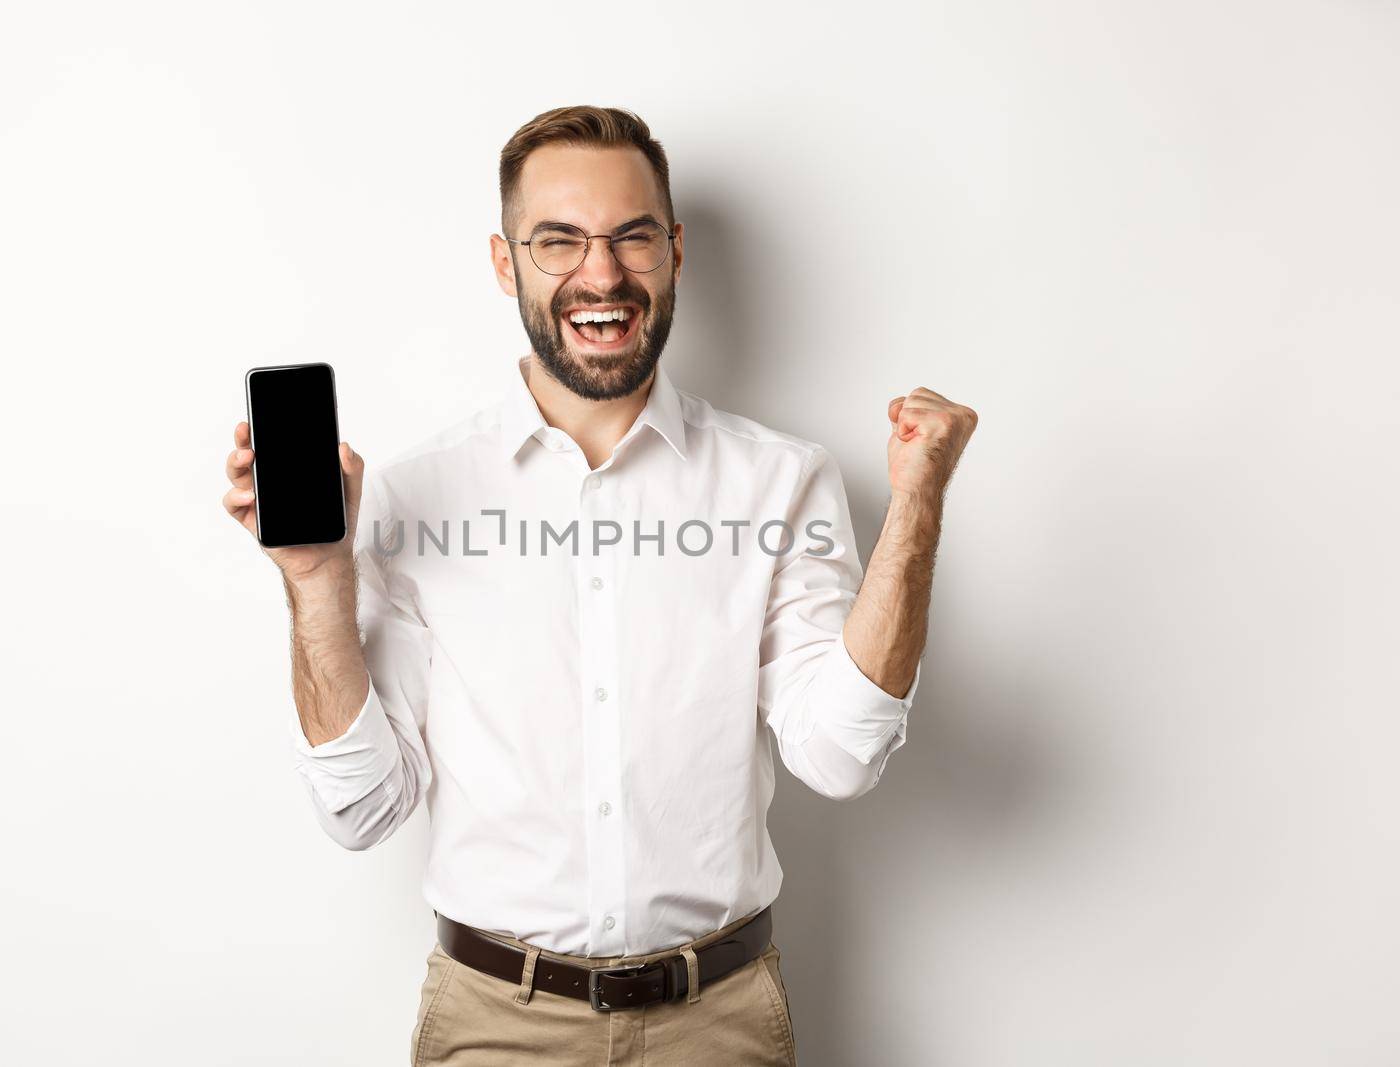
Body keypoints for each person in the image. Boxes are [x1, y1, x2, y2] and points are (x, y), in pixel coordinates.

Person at [222, 105, 977, 1066]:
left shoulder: (781, 481)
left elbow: (839, 754)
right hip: (495, 1025)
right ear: (505, 264)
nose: (603, 273)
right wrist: (317, 579)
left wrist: (917, 505)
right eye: (559, 241)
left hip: (721, 1023)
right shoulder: (413, 495)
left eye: (632, 237)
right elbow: (362, 808)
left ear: (675, 251)